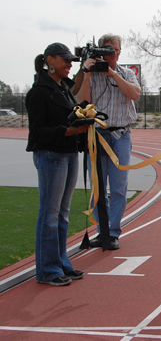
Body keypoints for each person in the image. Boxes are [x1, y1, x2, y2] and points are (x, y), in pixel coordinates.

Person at [26, 43, 89, 286]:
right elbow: (37, 132)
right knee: (50, 215)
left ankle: (61, 262)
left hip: (68, 153)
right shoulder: (38, 92)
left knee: (62, 214)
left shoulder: (63, 88)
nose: (70, 65)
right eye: (66, 60)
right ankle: (47, 270)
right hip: (51, 155)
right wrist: (68, 130)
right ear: (50, 60)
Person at [76, 34, 141, 250]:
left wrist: (111, 73)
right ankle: (101, 231)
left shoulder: (127, 73)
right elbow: (81, 102)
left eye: (113, 49)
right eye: (105, 49)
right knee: (97, 187)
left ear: (120, 52)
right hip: (96, 137)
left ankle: (113, 232)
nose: (110, 53)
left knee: (119, 187)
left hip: (120, 136)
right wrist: (86, 74)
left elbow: (134, 94)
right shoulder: (92, 76)